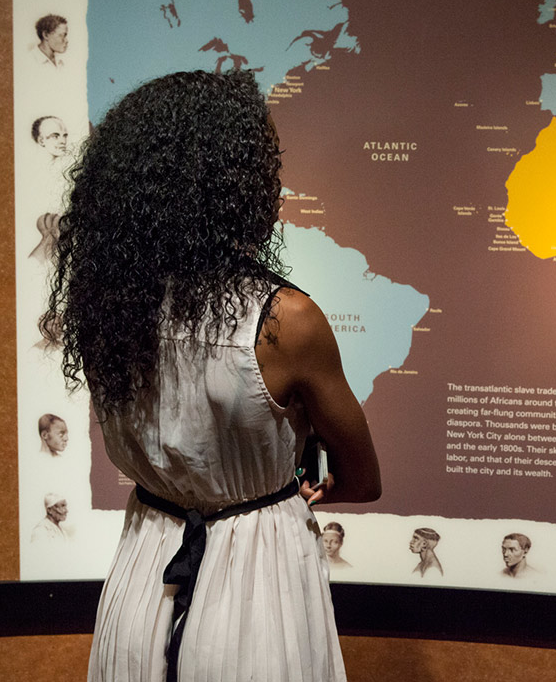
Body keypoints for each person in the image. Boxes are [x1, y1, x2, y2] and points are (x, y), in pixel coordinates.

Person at [42, 69, 381, 682]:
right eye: (264, 169)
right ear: (234, 189)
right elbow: (363, 480)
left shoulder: (106, 307)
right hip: (259, 584)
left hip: (145, 573)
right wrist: (309, 488)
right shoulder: (285, 320)